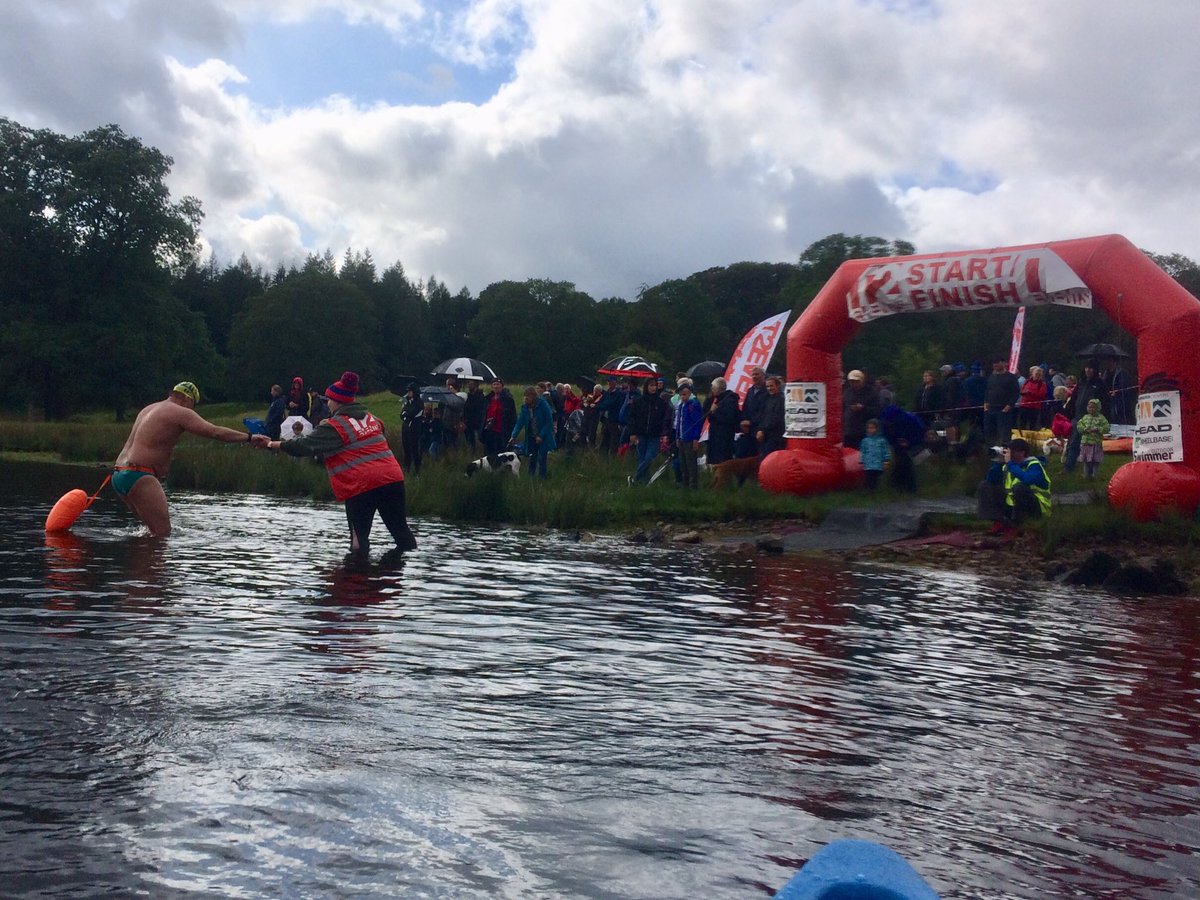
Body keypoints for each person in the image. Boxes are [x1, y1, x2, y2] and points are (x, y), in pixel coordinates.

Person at [254, 371, 418, 557]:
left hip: (362, 485)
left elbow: (302, 446)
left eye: (329, 400)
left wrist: (270, 444)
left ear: (338, 402)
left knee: (358, 542)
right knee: (402, 534)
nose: (328, 404)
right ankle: (402, 568)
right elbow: (379, 428)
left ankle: (358, 572)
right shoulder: (372, 418)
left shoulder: (335, 426)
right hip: (393, 480)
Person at [114, 382, 256, 536]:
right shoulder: (180, 412)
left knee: (149, 533)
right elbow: (215, 432)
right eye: (193, 405)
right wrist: (249, 438)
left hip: (119, 474)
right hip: (139, 475)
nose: (192, 410)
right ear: (188, 399)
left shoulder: (149, 409)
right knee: (162, 534)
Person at [977, 438, 1051, 535]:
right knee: (985, 486)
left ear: (1022, 453)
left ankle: (1017, 526)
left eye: (1012, 451)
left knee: (1019, 488)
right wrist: (999, 462)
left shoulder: (1034, 465)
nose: (1009, 454)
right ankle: (1000, 522)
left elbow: (1026, 479)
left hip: (1037, 508)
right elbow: (990, 479)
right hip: (1013, 506)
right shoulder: (1008, 466)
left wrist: (1010, 464)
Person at [1063, 362, 1108, 473]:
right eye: (1087, 367)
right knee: (1073, 442)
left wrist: (1101, 416)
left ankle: (1091, 472)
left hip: (1093, 420)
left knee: (1092, 446)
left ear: (1095, 370)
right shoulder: (1081, 382)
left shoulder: (1100, 384)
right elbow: (1074, 398)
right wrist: (1067, 411)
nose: (1088, 370)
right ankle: (1068, 467)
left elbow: (1105, 401)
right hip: (1078, 417)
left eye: (1091, 368)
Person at [628, 376, 673, 483]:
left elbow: (665, 419)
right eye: (651, 385)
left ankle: (635, 478)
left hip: (654, 435)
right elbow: (632, 418)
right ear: (646, 386)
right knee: (642, 458)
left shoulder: (661, 403)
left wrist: (664, 433)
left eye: (655, 385)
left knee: (649, 457)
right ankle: (643, 481)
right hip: (641, 434)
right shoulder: (639, 402)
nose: (653, 388)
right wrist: (632, 433)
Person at [510, 385, 556, 479]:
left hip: (543, 436)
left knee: (542, 457)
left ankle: (542, 478)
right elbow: (520, 422)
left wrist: (541, 436)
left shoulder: (543, 404)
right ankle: (530, 477)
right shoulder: (525, 407)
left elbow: (549, 422)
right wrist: (513, 435)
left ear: (533, 396)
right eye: (525, 396)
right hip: (531, 436)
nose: (526, 398)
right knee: (532, 456)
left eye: (528, 396)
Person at [673, 382, 704, 488]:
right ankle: (685, 482)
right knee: (683, 462)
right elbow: (679, 423)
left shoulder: (693, 405)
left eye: (684, 394)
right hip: (682, 438)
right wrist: (677, 436)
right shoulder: (681, 406)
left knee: (691, 462)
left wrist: (696, 438)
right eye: (681, 394)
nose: (682, 397)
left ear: (690, 393)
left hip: (690, 438)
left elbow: (697, 423)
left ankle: (693, 484)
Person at [703, 376, 740, 465]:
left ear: (719, 388)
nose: (712, 389)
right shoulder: (717, 399)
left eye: (713, 387)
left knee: (722, 460)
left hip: (724, 436)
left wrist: (714, 412)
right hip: (715, 434)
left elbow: (728, 418)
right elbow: (707, 413)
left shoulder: (730, 400)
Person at [983, 360, 1020, 445]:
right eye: (994, 363)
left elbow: (1015, 393)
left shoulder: (1011, 377)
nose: (995, 364)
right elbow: (987, 390)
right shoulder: (991, 377)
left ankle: (1005, 449)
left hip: (1004, 409)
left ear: (1004, 363)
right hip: (991, 409)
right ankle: (991, 448)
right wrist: (985, 403)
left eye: (997, 362)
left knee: (1004, 433)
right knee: (990, 432)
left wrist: (1009, 406)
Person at [842, 369, 880, 449]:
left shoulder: (871, 392)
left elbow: (877, 410)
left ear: (862, 381)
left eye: (856, 381)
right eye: (851, 381)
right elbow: (843, 408)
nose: (853, 383)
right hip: (848, 431)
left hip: (864, 431)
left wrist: (863, 408)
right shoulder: (847, 392)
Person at [482, 378, 518, 458]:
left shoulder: (508, 399)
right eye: (494, 384)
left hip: (502, 431)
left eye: (498, 384)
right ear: (491, 386)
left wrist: (512, 433)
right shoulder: (488, 399)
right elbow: (483, 414)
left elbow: (513, 417)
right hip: (489, 430)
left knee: (501, 454)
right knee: (489, 453)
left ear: (502, 386)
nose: (496, 386)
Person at [1077, 398, 1110, 478]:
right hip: (1086, 443)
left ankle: (1094, 474)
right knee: (1086, 460)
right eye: (1089, 407)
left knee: (1095, 460)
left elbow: (1107, 428)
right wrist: (1084, 429)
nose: (1091, 409)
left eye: (1093, 407)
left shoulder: (1101, 418)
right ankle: (1086, 474)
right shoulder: (1085, 417)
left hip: (1096, 443)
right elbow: (1079, 426)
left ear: (1098, 408)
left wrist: (1098, 429)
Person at [739, 366, 769, 457]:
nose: (754, 377)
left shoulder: (767, 391)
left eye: (757, 374)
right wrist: (743, 421)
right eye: (753, 375)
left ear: (763, 376)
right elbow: (745, 407)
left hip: (761, 429)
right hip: (749, 431)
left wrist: (751, 422)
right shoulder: (750, 391)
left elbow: (765, 411)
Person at [756, 375, 787, 457]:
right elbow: (763, 416)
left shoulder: (781, 400)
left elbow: (776, 418)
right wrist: (760, 429)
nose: (769, 388)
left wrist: (763, 431)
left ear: (778, 386)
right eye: (767, 386)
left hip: (775, 437)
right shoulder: (767, 399)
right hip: (766, 436)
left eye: (771, 386)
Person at [858, 418, 891, 492]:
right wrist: (861, 461)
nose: (871, 430)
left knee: (875, 478)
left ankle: (874, 490)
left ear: (877, 428)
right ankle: (868, 490)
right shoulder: (865, 440)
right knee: (868, 477)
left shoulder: (881, 440)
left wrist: (886, 461)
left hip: (878, 464)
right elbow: (863, 452)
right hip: (868, 464)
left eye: (873, 428)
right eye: (869, 428)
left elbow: (885, 451)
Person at [399, 383, 424, 474]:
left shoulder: (419, 402)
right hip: (406, 429)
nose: (408, 393)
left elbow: (412, 414)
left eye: (410, 391)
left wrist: (406, 414)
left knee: (415, 450)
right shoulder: (407, 402)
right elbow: (402, 415)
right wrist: (406, 414)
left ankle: (417, 470)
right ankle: (407, 468)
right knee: (406, 450)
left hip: (414, 429)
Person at [1018, 365, 1049, 430]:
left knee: (1032, 424)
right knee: (1022, 424)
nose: (1037, 375)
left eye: (1039, 374)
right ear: (1032, 373)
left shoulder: (1042, 384)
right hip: (1024, 405)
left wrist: (1030, 392)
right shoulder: (1027, 381)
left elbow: (1042, 395)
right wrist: (1023, 392)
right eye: (1036, 374)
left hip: (1034, 407)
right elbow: (1022, 390)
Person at [462, 379, 486, 454]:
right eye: (468, 384)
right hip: (468, 424)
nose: (469, 385)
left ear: (476, 385)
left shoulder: (480, 396)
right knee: (470, 442)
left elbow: (478, 409)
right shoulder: (469, 396)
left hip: (477, 423)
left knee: (477, 442)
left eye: (471, 384)